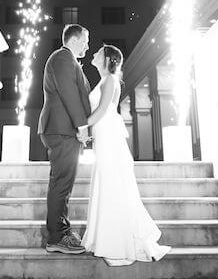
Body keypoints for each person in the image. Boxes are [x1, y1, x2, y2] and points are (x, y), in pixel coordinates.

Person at [81, 45, 171, 266]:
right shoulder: (106, 80)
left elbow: (102, 111)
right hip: (103, 135)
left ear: (107, 59)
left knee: (111, 183)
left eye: (98, 53)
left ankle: (116, 244)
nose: (93, 55)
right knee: (106, 182)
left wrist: (81, 126)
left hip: (108, 136)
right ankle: (107, 239)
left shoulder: (110, 79)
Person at [38, 24, 91, 254]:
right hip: (61, 128)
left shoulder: (67, 60)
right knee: (61, 183)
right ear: (74, 40)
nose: (87, 46)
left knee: (63, 183)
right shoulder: (62, 57)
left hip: (63, 129)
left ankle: (61, 230)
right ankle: (56, 237)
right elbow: (69, 92)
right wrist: (82, 126)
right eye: (86, 41)